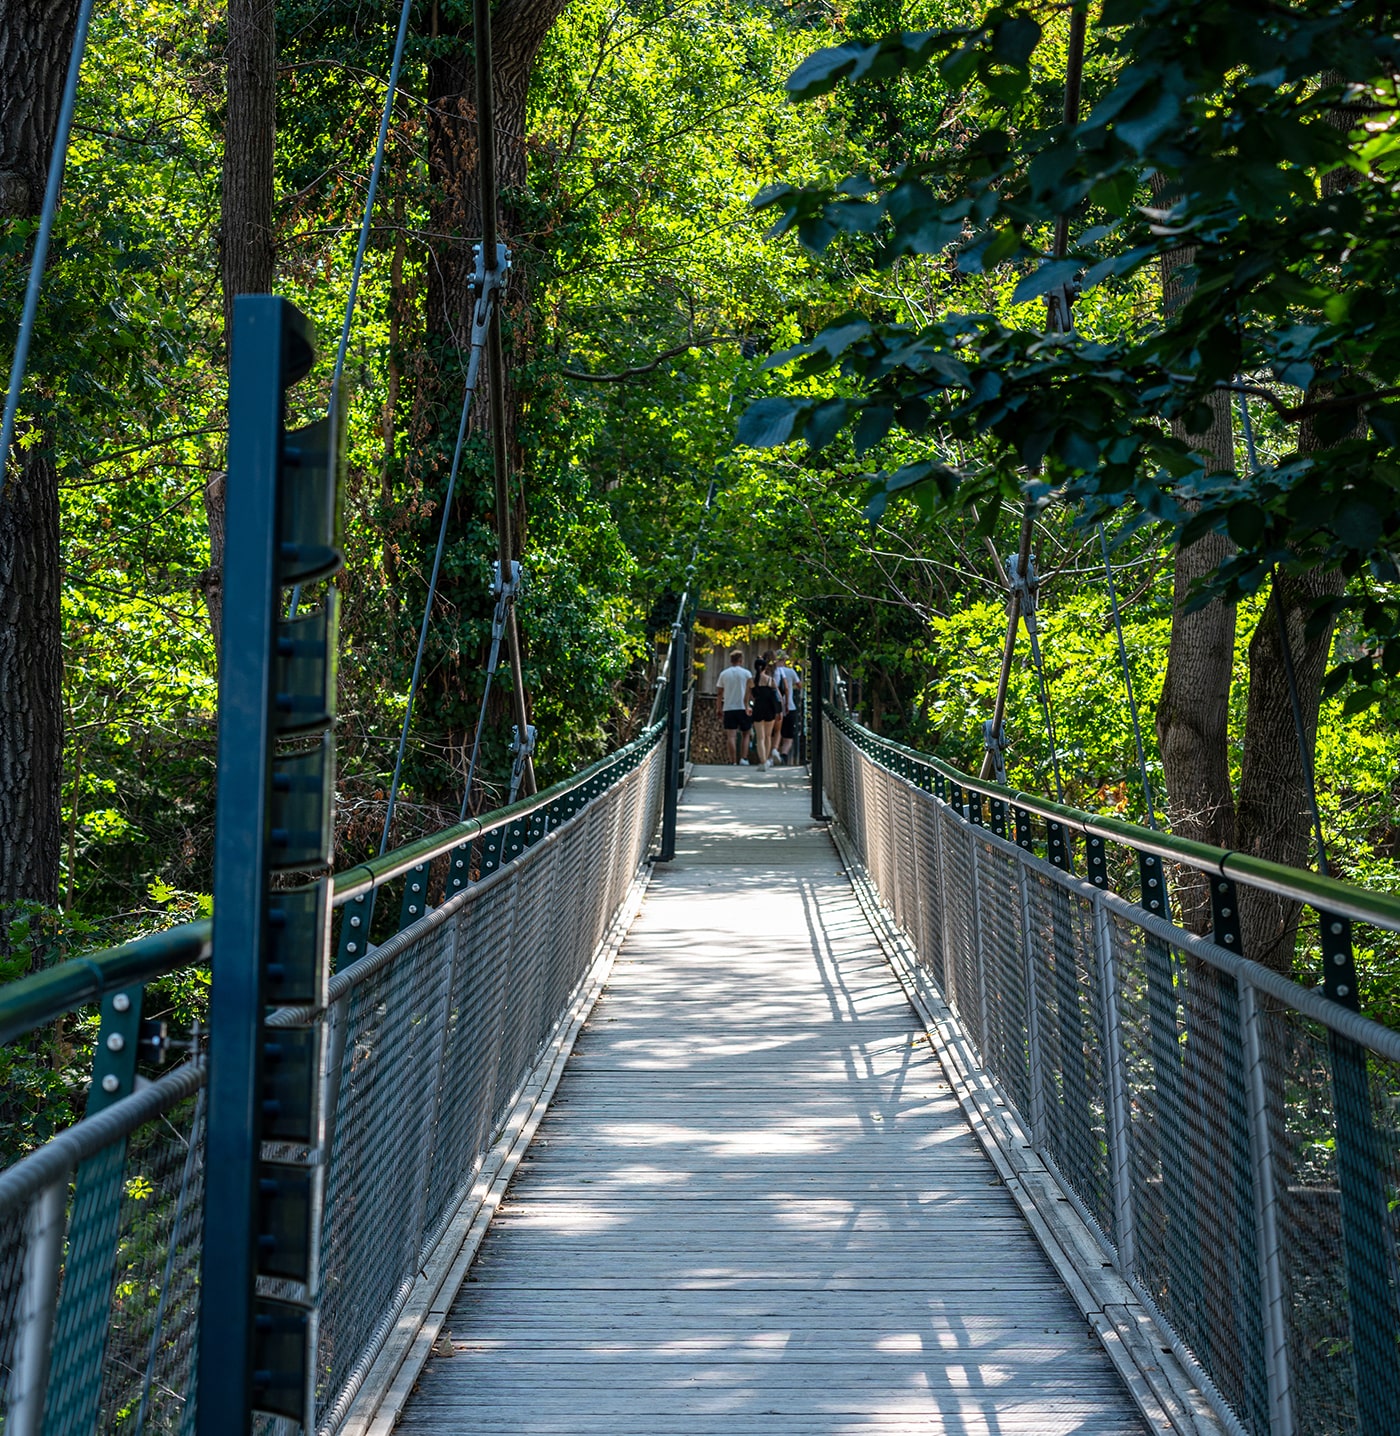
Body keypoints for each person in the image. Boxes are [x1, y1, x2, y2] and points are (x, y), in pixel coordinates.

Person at [715, 649, 753, 765]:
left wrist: (719, 708)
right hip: (743, 706)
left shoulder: (724, 674)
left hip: (729, 706)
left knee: (731, 735)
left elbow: (720, 693)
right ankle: (744, 758)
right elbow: (751, 690)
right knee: (746, 733)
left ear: (731, 660)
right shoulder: (747, 674)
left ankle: (732, 761)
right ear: (741, 660)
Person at [749, 656, 783, 767]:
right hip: (769, 709)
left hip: (758, 708)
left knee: (760, 737)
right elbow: (778, 697)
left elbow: (747, 698)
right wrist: (779, 711)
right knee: (768, 736)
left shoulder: (751, 681)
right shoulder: (770, 680)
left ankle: (762, 761)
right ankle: (766, 760)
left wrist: (747, 707)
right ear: (765, 667)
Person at [771, 650, 802, 764]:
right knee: (788, 736)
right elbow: (799, 685)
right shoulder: (790, 671)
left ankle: (772, 754)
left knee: (774, 732)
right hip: (789, 706)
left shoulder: (772, 671)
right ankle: (783, 756)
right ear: (784, 660)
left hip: (774, 707)